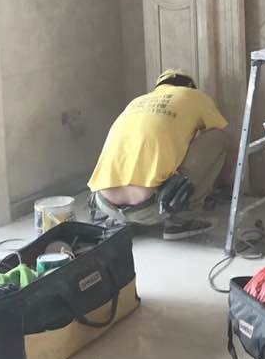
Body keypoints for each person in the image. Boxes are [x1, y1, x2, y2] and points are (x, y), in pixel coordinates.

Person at [88, 69, 231, 240]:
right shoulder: (194, 96)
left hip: (105, 204)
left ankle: (122, 221)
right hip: (153, 208)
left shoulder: (136, 102)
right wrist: (224, 186)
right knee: (218, 136)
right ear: (189, 86)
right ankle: (181, 220)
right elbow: (231, 140)